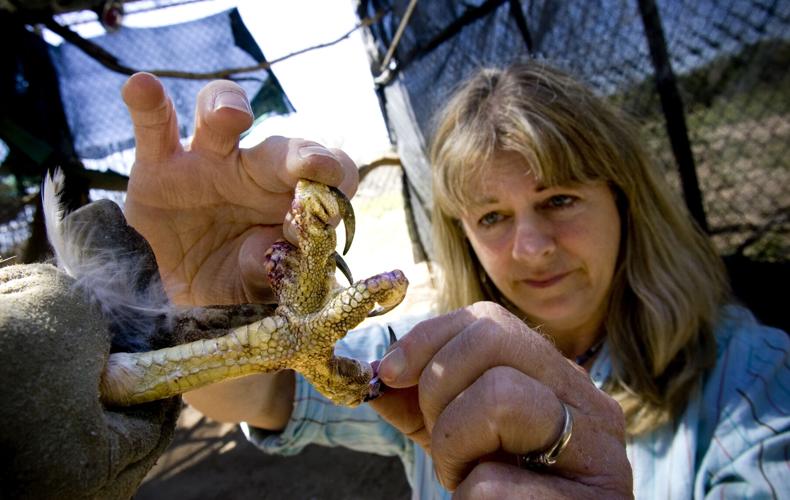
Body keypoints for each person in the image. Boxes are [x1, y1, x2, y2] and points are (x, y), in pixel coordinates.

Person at [120, 62, 788, 499]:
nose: (531, 248)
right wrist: (197, 306)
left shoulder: (753, 378)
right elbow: (261, 394)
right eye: (492, 216)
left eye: (559, 200)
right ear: (462, 232)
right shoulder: (426, 359)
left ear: (625, 199)